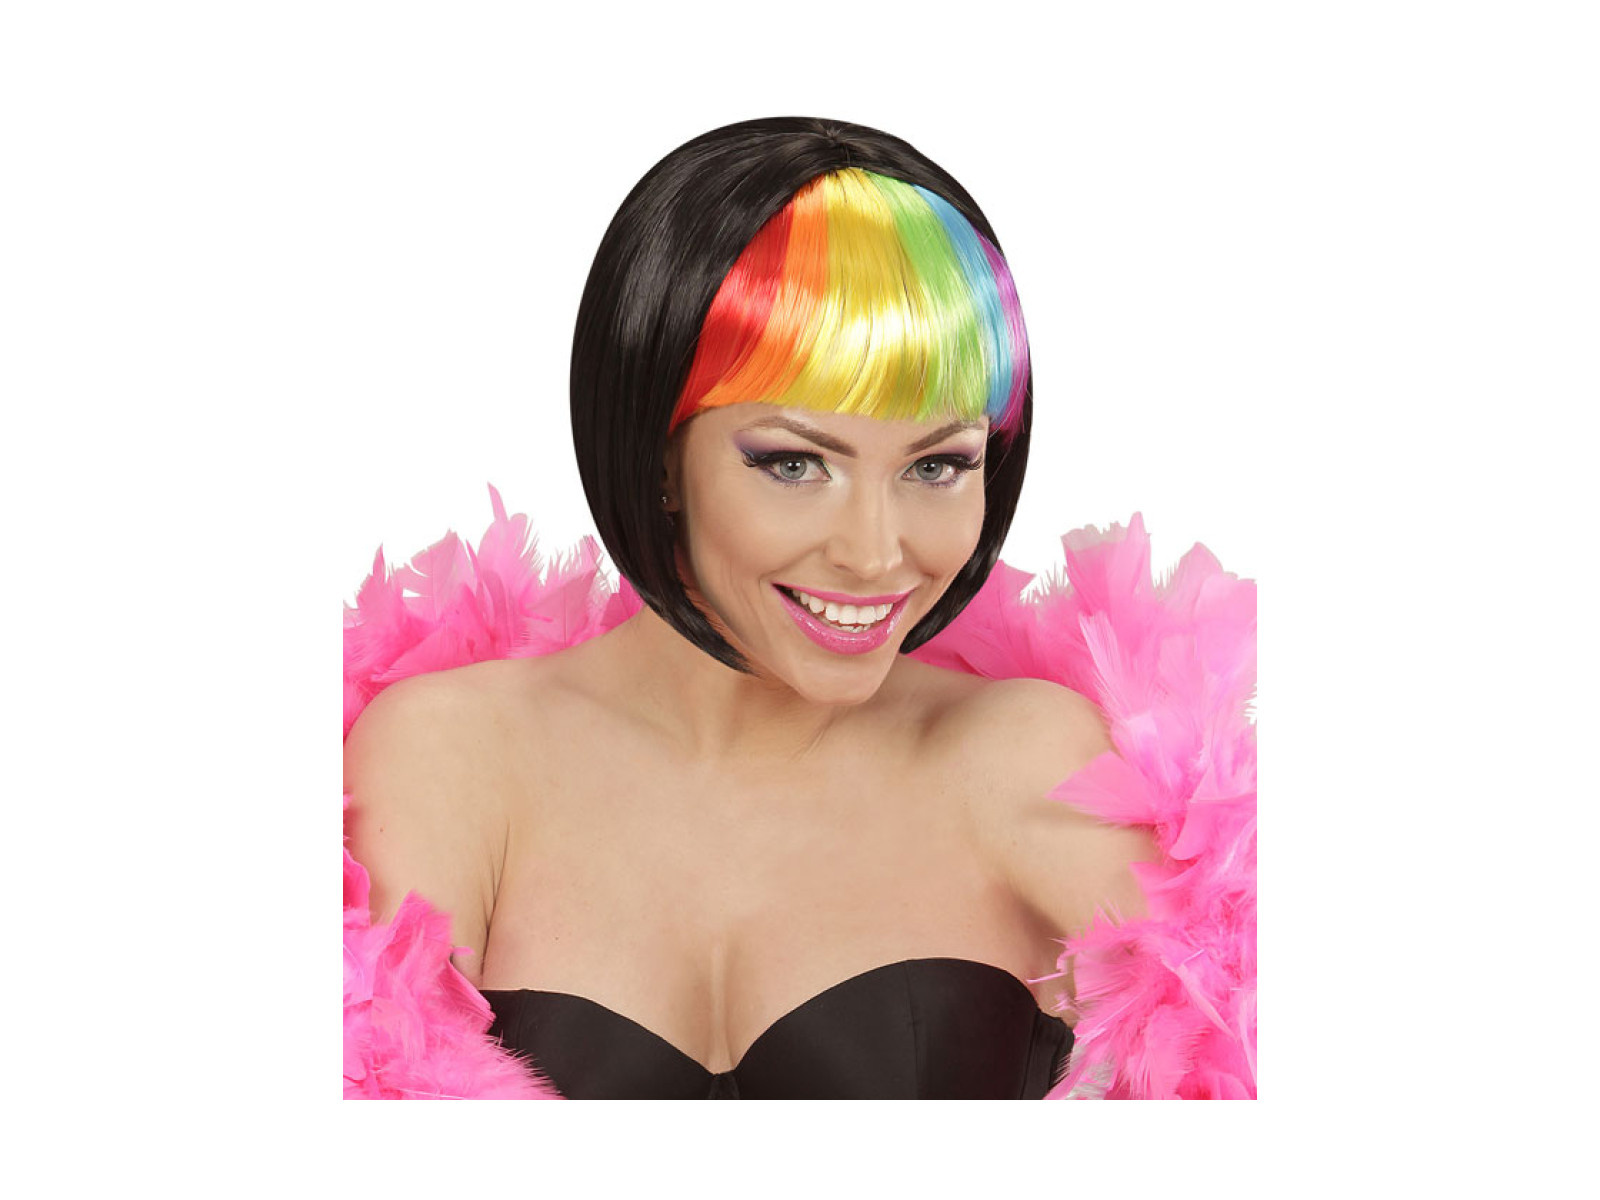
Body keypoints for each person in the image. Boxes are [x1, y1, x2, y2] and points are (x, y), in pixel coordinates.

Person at [342, 117, 1257, 1100]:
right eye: (793, 464)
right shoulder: (454, 759)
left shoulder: (1035, 765)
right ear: (658, 458)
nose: (875, 552)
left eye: (936, 466)